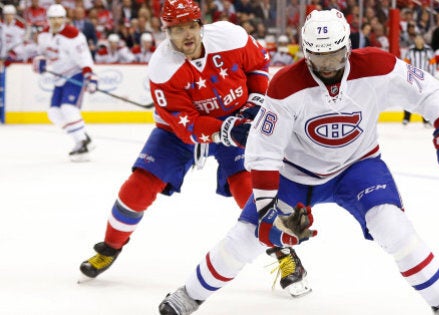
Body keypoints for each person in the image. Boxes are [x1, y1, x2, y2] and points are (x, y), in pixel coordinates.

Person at [158, 9, 439, 315]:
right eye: (319, 59)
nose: (328, 66)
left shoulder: (378, 65)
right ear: (306, 53)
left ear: (348, 47)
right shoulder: (284, 86)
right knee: (245, 237)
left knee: (393, 226)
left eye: (335, 56)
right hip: (293, 175)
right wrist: (268, 214)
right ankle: (189, 295)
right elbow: (263, 152)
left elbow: (428, 90)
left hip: (358, 166)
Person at [79, 0, 309, 298]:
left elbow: (258, 65)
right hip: (179, 133)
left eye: (190, 27)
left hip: (236, 116)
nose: (186, 35)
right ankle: (110, 247)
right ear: (167, 33)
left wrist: (254, 100)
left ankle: (285, 255)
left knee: (250, 191)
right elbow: (185, 124)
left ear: (201, 26)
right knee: (137, 188)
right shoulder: (162, 68)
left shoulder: (231, 36)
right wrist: (223, 130)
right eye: (177, 30)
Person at [32, 4, 98, 161]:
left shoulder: (73, 35)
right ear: (48, 19)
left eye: (59, 18)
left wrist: (91, 76)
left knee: (68, 108)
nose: (56, 21)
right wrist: (40, 62)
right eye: (53, 18)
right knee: (54, 113)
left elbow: (84, 57)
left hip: (75, 74)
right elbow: (42, 54)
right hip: (59, 77)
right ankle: (81, 139)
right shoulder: (43, 35)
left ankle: (83, 140)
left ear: (65, 18)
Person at [402, 34, 434, 127]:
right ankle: (406, 118)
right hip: (413, 79)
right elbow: (405, 64)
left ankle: (426, 120)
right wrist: (407, 77)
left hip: (425, 79)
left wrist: (431, 77)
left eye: (420, 38)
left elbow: (432, 64)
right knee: (409, 99)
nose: (418, 40)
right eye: (417, 38)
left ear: (423, 40)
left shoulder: (428, 50)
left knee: (425, 100)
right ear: (415, 40)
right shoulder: (410, 50)